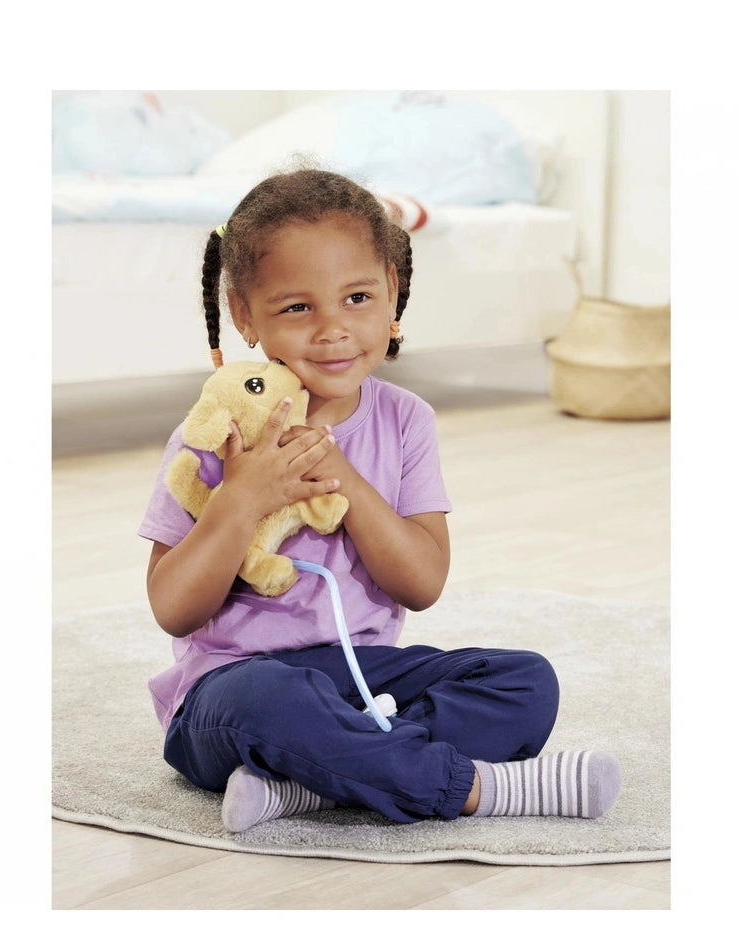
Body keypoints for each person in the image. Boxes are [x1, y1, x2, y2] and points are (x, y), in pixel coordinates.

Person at [139, 168, 621, 832]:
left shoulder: (406, 421)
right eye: (298, 307)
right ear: (246, 314)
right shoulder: (216, 430)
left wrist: (345, 478)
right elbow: (171, 607)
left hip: (363, 677)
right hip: (230, 692)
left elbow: (421, 583)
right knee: (273, 699)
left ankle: (310, 783)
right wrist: (240, 500)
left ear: (393, 293)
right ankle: (473, 789)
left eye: (358, 297)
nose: (335, 329)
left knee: (524, 683)